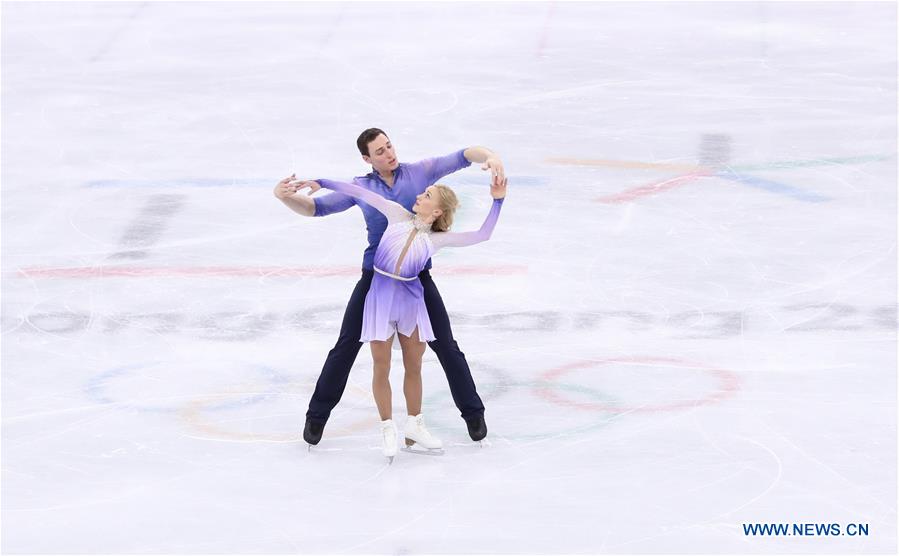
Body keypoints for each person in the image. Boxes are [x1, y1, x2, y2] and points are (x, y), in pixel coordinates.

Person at [273, 128, 506, 447]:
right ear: (367, 159)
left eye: (389, 146)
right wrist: (286, 196)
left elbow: (464, 155)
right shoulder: (363, 187)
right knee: (346, 346)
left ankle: (473, 413)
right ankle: (317, 417)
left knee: (446, 345)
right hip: (375, 280)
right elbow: (316, 208)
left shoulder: (420, 172)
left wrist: (491, 157)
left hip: (416, 281)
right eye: (380, 152)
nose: (389, 154)